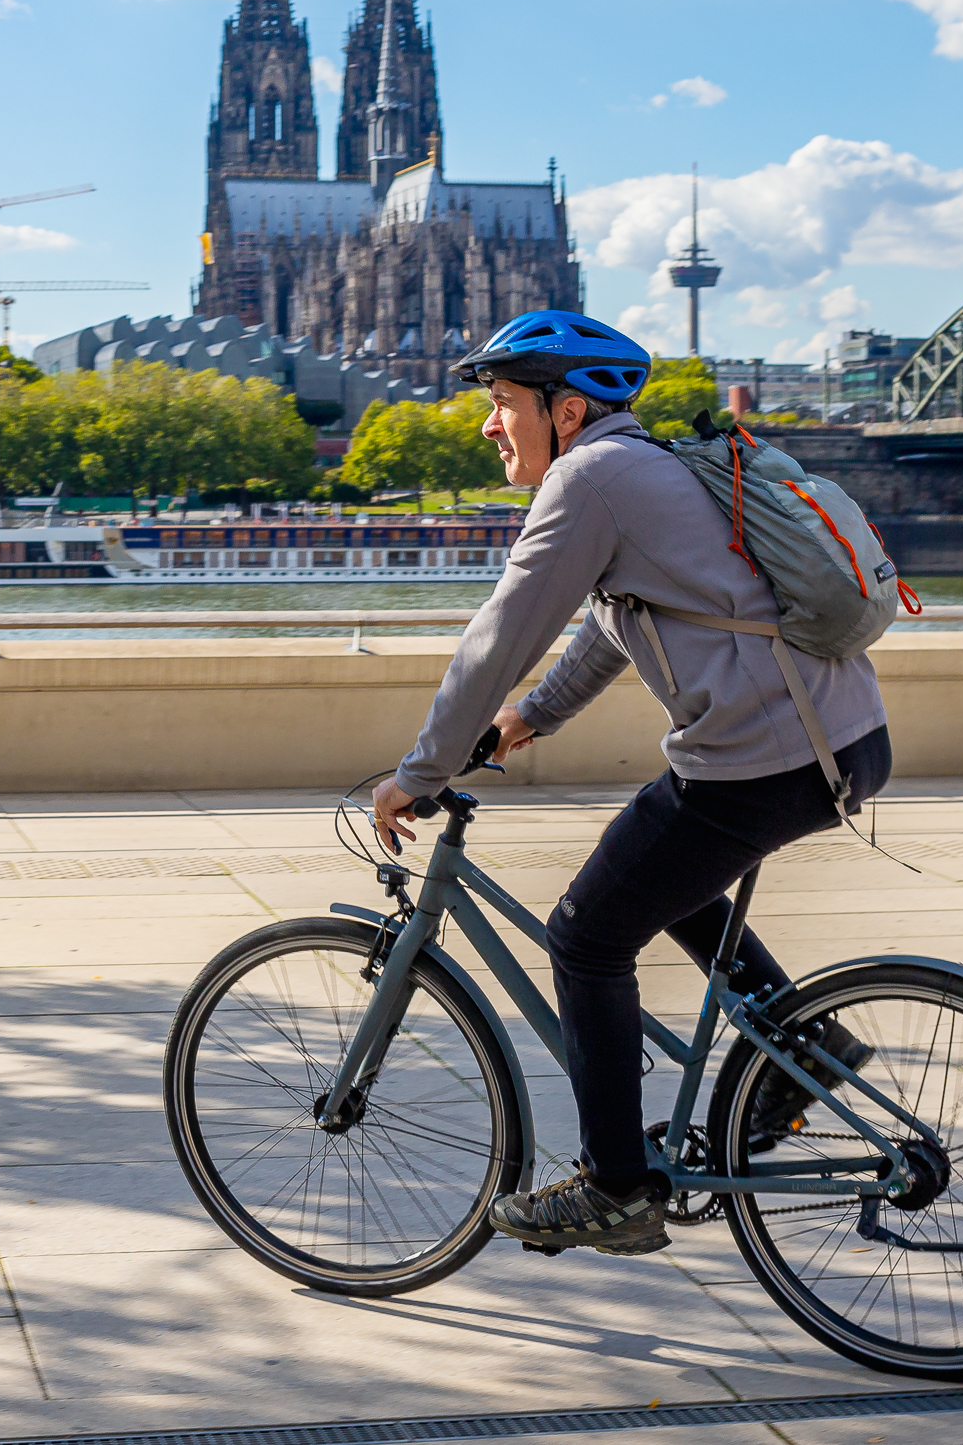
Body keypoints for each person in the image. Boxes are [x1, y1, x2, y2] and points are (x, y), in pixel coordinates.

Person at [372, 309, 893, 1258]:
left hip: (769, 759)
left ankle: (614, 1187)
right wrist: (528, 719)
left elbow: (503, 631)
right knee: (657, 875)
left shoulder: (591, 477)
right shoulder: (641, 468)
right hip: (835, 741)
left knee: (585, 934)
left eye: (501, 404)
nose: (491, 424)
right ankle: (802, 1055)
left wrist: (422, 770)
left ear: (565, 410)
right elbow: (614, 623)